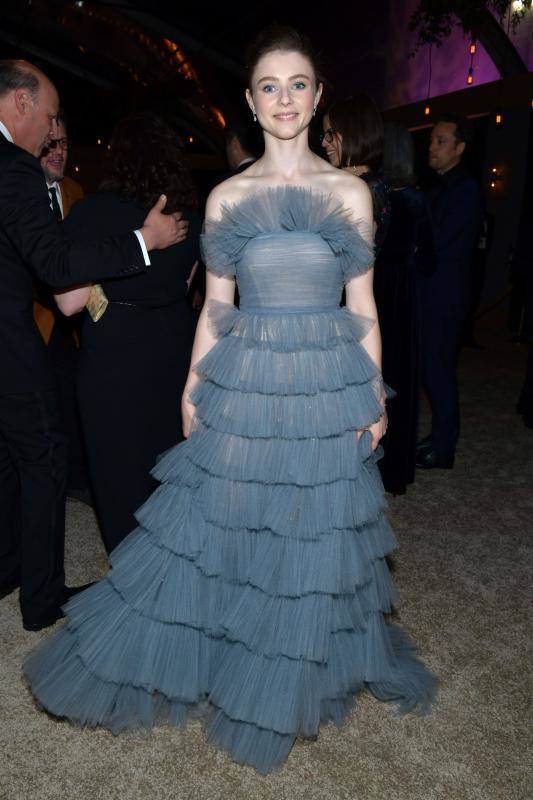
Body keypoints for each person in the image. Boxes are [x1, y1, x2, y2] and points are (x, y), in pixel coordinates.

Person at [24, 27, 436, 774]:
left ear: (317, 98)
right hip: (244, 376)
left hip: (324, 379)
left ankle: (290, 659)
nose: (284, 99)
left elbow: (364, 304)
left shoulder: (348, 193)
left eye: (298, 84)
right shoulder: (224, 197)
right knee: (227, 519)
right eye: (269, 87)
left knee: (311, 527)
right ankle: (224, 648)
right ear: (250, 102)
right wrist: (191, 388)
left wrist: (371, 392)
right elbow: (214, 304)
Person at [0, 59, 187, 632]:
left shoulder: (84, 206)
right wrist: (145, 241)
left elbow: (68, 300)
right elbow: (57, 267)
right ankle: (42, 596)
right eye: (52, 116)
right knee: (47, 460)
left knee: (26, 461)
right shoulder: (14, 170)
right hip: (166, 350)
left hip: (106, 359)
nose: (54, 132)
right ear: (22, 104)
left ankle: (19, 572)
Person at [53, 114, 201, 553]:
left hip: (114, 354)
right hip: (176, 345)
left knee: (118, 472)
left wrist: (104, 284)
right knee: (172, 465)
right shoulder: (188, 215)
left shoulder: (91, 212)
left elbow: (68, 302)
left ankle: (133, 580)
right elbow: (188, 283)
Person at [416, 114, 482, 469]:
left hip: (446, 294)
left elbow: (440, 245)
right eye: (431, 141)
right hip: (434, 290)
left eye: (441, 142)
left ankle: (444, 448)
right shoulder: (439, 186)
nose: (432, 147)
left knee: (438, 369)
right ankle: (439, 438)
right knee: (431, 368)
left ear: (459, 148)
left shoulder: (465, 190)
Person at [374, 123, 436, 494]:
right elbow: (430, 261)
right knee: (401, 377)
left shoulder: (375, 197)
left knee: (373, 374)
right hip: (404, 294)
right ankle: (396, 472)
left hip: (373, 288)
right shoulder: (416, 201)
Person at [35, 111, 91, 505]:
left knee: (72, 399)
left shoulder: (78, 194)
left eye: (64, 144)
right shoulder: (21, 192)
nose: (58, 152)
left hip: (73, 324)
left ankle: (74, 480)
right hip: (32, 320)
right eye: (51, 144)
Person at [321, 94, 390, 253]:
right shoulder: (360, 182)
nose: (324, 142)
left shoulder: (368, 187)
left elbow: (353, 259)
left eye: (330, 133)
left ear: (352, 133)